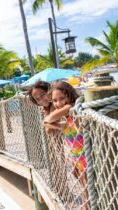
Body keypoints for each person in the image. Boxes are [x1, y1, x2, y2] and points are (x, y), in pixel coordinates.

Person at [44, 81, 88, 209]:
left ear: (70, 96)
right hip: (77, 158)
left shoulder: (72, 109)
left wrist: (52, 118)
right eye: (55, 101)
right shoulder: (66, 117)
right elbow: (48, 126)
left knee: (87, 188)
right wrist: (59, 125)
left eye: (62, 98)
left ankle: (87, 206)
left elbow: (48, 120)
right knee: (83, 184)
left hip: (85, 157)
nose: (58, 103)